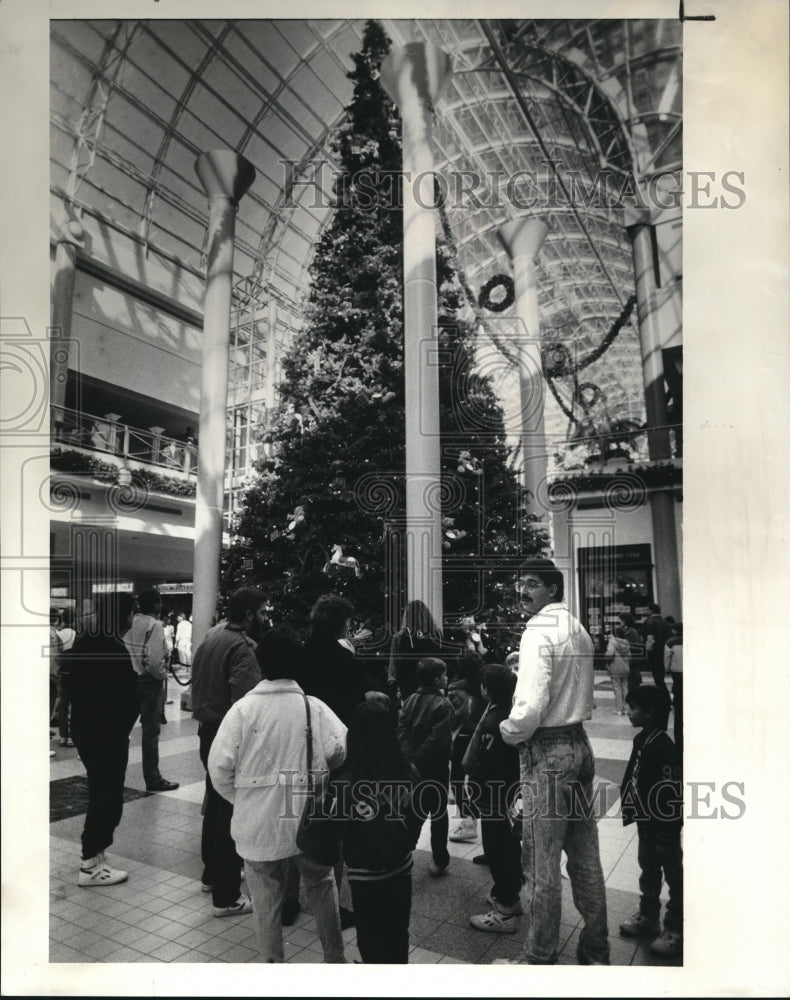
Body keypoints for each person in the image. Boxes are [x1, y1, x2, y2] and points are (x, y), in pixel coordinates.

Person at [208, 625, 346, 963]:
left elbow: (219, 770)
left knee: (266, 905)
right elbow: (341, 748)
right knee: (323, 887)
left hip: (258, 828)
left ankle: (274, 969)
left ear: (261, 663)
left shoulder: (241, 711)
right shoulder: (313, 707)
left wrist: (244, 801)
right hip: (308, 822)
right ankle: (334, 960)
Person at [498, 558, 610, 966]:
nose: (522, 591)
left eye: (531, 584)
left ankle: (540, 955)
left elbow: (530, 703)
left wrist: (508, 730)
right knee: (585, 858)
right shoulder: (576, 628)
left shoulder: (537, 632)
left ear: (552, 588)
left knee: (542, 863)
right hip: (580, 746)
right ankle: (596, 950)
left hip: (549, 752)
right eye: (520, 583)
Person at [301, 593, 374, 929]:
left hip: (301, 748)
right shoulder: (345, 661)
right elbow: (359, 706)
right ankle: (332, 900)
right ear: (341, 624)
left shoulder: (299, 654)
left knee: (299, 817)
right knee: (336, 827)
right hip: (338, 752)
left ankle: (291, 898)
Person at [191, 587, 266, 917]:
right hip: (228, 733)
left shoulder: (212, 638)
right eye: (263, 611)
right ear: (249, 614)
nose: (266, 617)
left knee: (215, 802)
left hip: (207, 730)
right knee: (229, 812)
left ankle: (211, 874)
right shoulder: (243, 648)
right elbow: (246, 705)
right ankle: (226, 894)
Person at [334, 699, 423, 963]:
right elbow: (419, 813)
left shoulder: (345, 783)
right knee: (398, 932)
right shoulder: (407, 772)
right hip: (400, 867)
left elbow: (337, 829)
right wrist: (407, 841)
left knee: (370, 936)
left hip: (363, 875)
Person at [62, 593, 140, 886]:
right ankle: (91, 864)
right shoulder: (113, 648)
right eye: (131, 612)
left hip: (87, 729)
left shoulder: (86, 640)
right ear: (121, 615)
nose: (133, 618)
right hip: (106, 734)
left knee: (100, 790)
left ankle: (95, 855)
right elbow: (126, 697)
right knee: (107, 795)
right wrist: (122, 730)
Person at [619, 684, 683, 957]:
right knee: (648, 871)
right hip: (646, 823)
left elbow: (671, 795)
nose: (628, 713)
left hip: (663, 829)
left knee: (674, 877)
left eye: (633, 708)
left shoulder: (665, 748)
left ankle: (675, 927)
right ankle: (649, 916)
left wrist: (667, 832)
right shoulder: (642, 739)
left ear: (649, 712)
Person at [464, 663, 523, 935]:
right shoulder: (511, 714)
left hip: (493, 797)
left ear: (487, 690)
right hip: (509, 794)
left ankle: (504, 910)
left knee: (497, 848)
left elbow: (486, 763)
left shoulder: (492, 721)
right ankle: (509, 894)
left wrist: (474, 787)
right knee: (508, 846)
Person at [397, 657, 453, 878]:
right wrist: (419, 758)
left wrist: (410, 759)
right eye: (445, 674)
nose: (447, 678)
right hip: (436, 769)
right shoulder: (443, 705)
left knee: (413, 810)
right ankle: (440, 859)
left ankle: (405, 851)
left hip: (413, 770)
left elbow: (401, 730)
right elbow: (438, 740)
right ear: (437, 679)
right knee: (439, 814)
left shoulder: (409, 700)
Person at [123, 590, 179, 792]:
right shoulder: (154, 625)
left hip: (128, 679)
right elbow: (154, 660)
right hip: (148, 682)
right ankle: (152, 777)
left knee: (122, 729)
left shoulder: (132, 622)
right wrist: (161, 675)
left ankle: (115, 773)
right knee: (150, 731)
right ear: (156, 604)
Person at [447, 652, 486, 845]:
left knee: (457, 777)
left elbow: (456, 716)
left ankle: (468, 819)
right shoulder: (486, 685)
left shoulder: (457, 690)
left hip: (465, 734)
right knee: (479, 778)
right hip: (484, 734)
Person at [386, 599, 442, 705]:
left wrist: (396, 685)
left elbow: (394, 667)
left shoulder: (400, 637)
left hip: (408, 690)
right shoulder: (435, 635)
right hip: (433, 690)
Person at [55, 607, 77, 747]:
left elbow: (56, 655)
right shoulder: (77, 634)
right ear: (74, 619)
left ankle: (63, 736)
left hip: (61, 672)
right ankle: (72, 736)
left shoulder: (58, 634)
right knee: (74, 705)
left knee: (63, 704)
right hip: (74, 673)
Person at [664, 623, 683, 756]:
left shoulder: (671, 642)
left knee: (679, 707)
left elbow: (666, 657)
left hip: (677, 674)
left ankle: (679, 743)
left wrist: (666, 669)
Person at [643, 603, 671, 691]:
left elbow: (650, 638)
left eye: (647, 609)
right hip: (664, 650)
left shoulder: (650, 622)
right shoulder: (664, 621)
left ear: (652, 610)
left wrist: (648, 652)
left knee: (657, 677)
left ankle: (664, 697)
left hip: (655, 652)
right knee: (660, 676)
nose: (646, 611)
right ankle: (665, 697)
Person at [604, 625, 631, 715]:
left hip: (615, 668)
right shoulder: (626, 643)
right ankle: (627, 708)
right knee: (625, 688)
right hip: (625, 668)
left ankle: (619, 709)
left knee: (617, 689)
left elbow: (609, 654)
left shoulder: (612, 642)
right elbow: (630, 657)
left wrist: (606, 658)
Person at [618, 612, 644, 695]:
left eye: (621, 620)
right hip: (627, 663)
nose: (619, 622)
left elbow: (637, 648)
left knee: (632, 685)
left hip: (631, 663)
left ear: (625, 621)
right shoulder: (624, 631)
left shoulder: (632, 632)